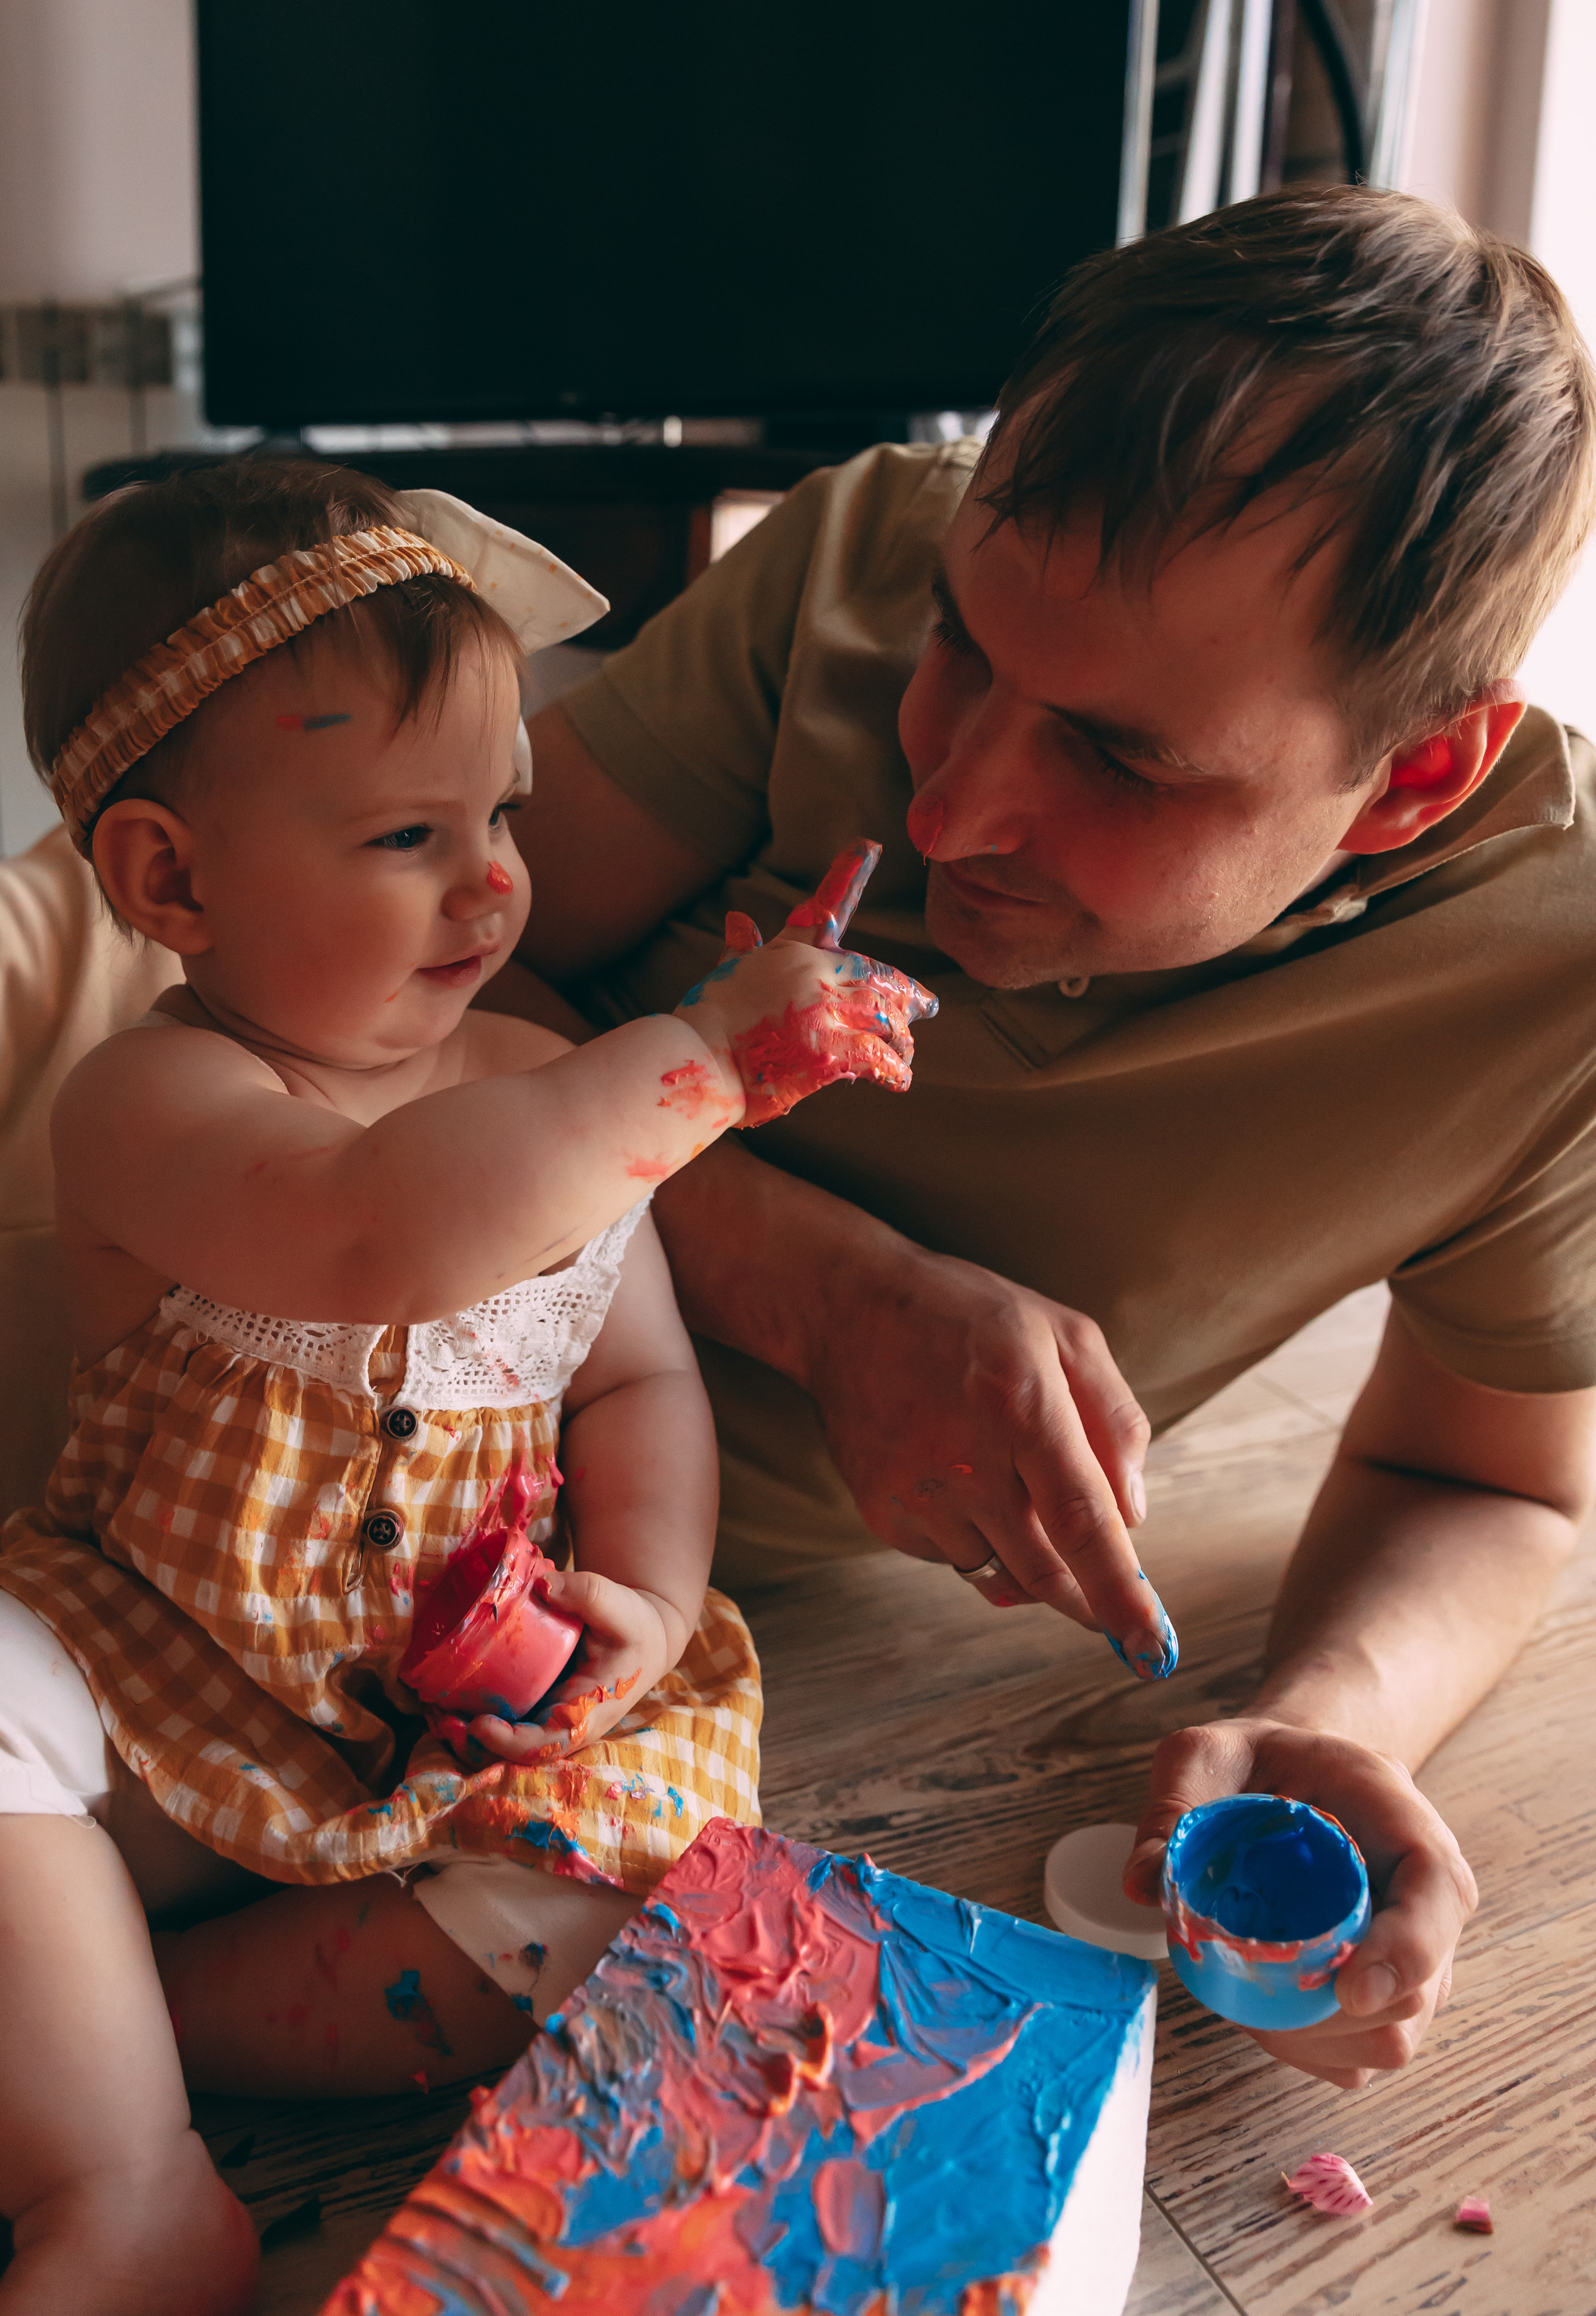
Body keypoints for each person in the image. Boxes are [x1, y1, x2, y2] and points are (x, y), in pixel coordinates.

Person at [500, 187, 1596, 2094]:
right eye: (956, 642)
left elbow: (1493, 1476)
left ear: (1415, 778)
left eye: (1117, 758)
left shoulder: (1565, 978)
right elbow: (403, 1016)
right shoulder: (847, 547)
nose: (949, 800)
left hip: (645, 1646)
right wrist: (832, 1299)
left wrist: (1333, 1715)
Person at [0, 458, 950, 2316]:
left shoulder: (536, 1069)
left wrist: (652, 1605)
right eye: (404, 838)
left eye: (503, 807)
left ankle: (102, 2027)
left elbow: (642, 1385)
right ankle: (124, 2179)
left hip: (459, 1739)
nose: (498, 878)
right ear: (166, 879)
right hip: (159, 1690)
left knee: (624, 1913)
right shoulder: (158, 1103)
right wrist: (700, 1068)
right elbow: (377, 1236)